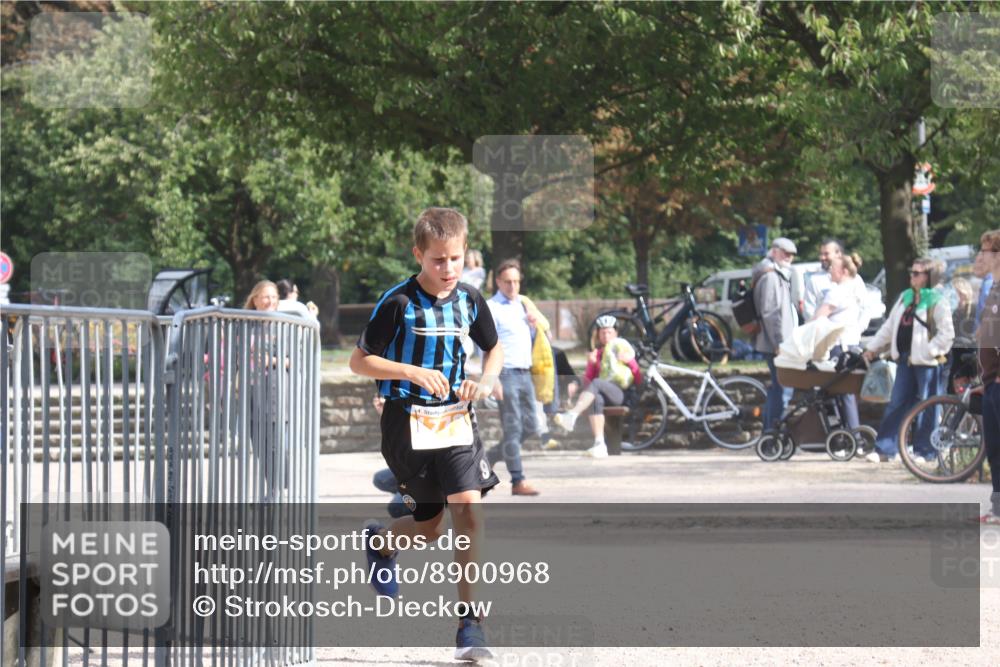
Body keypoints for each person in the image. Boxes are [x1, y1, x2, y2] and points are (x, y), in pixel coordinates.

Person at [348, 206, 502, 661]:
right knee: (430, 526)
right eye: (438, 260)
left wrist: (486, 381)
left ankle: (470, 625)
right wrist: (411, 372)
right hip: (405, 423)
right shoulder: (396, 302)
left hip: (454, 417)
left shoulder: (471, 300)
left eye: (455, 258)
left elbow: (493, 348)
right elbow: (359, 362)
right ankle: (379, 543)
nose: (448, 269)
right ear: (418, 254)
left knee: (468, 510)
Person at [862, 258, 954, 463]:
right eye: (912, 272)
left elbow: (947, 333)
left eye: (917, 273)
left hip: (927, 362)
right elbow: (888, 327)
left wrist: (930, 351)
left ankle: (926, 451)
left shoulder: (938, 301)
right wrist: (872, 348)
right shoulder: (906, 297)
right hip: (905, 359)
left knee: (929, 406)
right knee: (897, 403)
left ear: (929, 277)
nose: (912, 276)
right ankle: (885, 448)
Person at [486, 258, 542, 496]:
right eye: (508, 282)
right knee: (513, 427)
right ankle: (517, 480)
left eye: (516, 282)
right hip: (505, 373)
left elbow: (527, 340)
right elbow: (486, 345)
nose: (512, 286)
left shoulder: (523, 305)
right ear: (498, 281)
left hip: (525, 373)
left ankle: (487, 459)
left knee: (531, 425)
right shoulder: (491, 307)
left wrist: (532, 326)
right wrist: (492, 378)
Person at [552, 314, 641, 458]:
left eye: (609, 332)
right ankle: (600, 444)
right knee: (596, 399)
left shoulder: (622, 349)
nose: (606, 335)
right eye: (603, 332)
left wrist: (630, 361)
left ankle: (572, 415)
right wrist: (591, 364)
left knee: (597, 383)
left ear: (616, 333)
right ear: (598, 335)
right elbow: (589, 381)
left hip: (621, 394)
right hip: (602, 394)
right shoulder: (598, 353)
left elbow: (638, 378)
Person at [812, 253, 865, 432]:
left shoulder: (837, 291)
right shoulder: (854, 287)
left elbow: (819, 316)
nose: (829, 273)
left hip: (839, 346)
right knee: (845, 392)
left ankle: (850, 435)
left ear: (842, 271)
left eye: (832, 269)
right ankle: (850, 434)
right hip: (852, 343)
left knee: (842, 393)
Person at [753, 237, 798, 432]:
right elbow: (770, 313)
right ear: (774, 252)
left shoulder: (775, 273)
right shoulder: (771, 276)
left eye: (791, 255)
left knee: (778, 389)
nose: (789, 257)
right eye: (785, 253)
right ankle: (773, 433)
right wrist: (779, 344)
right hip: (775, 344)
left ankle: (770, 433)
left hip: (775, 342)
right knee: (783, 390)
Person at [973, 231, 1000, 523]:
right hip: (991, 380)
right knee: (995, 449)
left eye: (987, 250)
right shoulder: (993, 288)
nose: (982, 255)